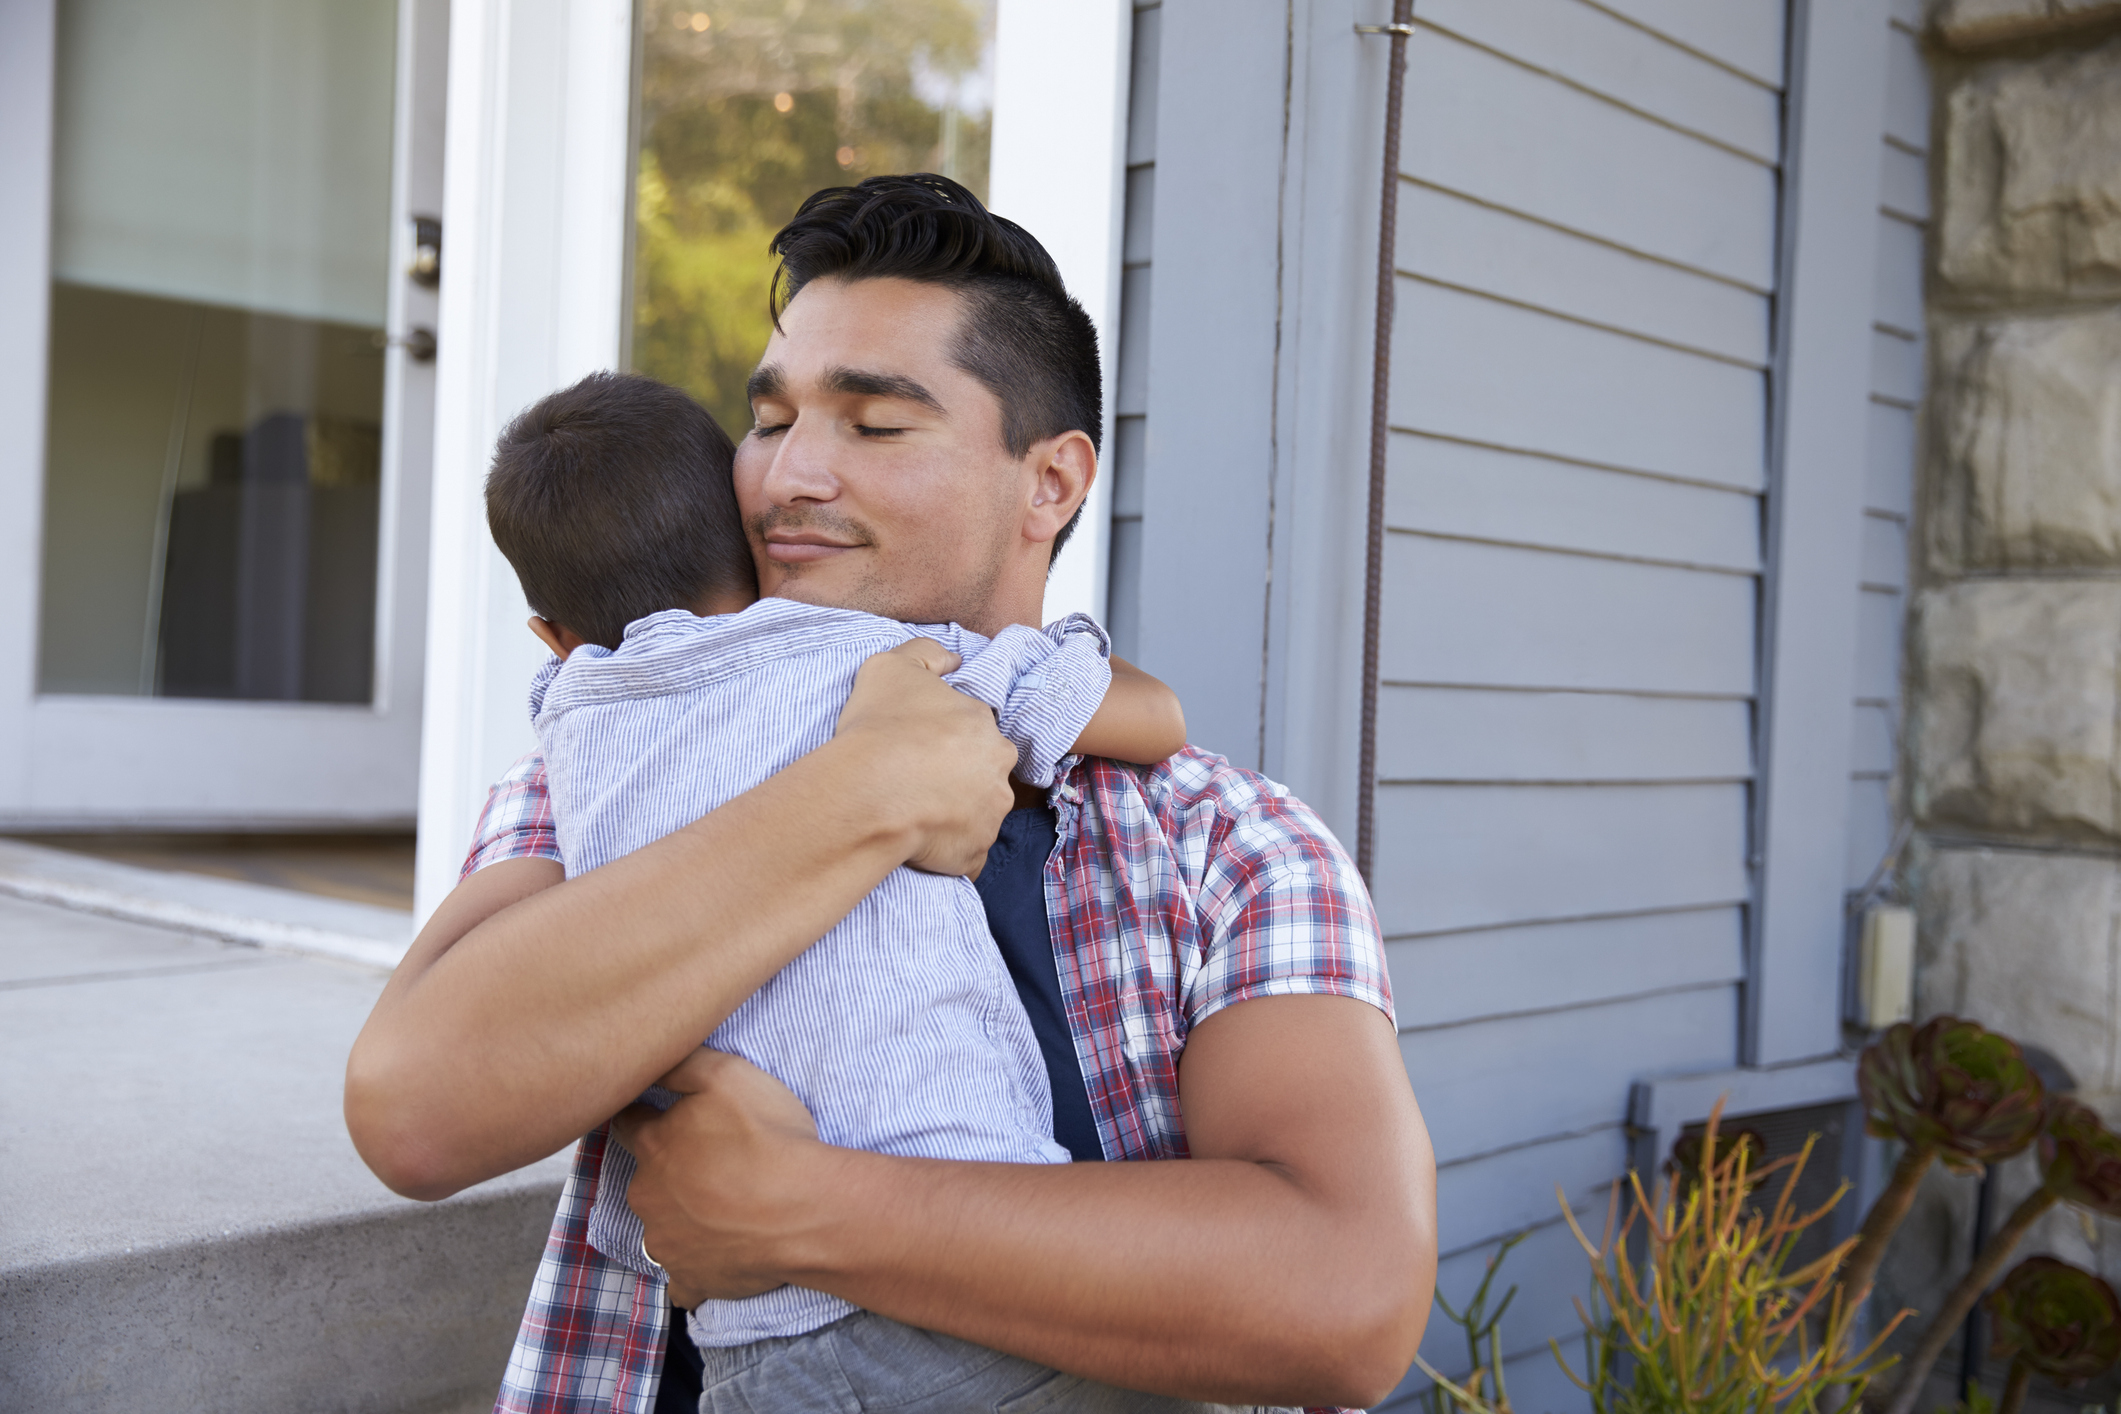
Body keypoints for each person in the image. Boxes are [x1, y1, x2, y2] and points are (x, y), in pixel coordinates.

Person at [344, 175, 1436, 1413]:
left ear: (1053, 484)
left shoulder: (1228, 847)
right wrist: (862, 792)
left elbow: (1347, 1298)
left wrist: (802, 1210)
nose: (787, 476)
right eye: (769, 419)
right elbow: (417, 1112)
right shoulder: (607, 762)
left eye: (874, 426)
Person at [483, 368, 1197, 1399]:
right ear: (756, 548)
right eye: (773, 426)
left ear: (552, 638)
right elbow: (1146, 718)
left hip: (744, 1325)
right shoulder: (867, 655)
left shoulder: (567, 733)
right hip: (970, 1263)